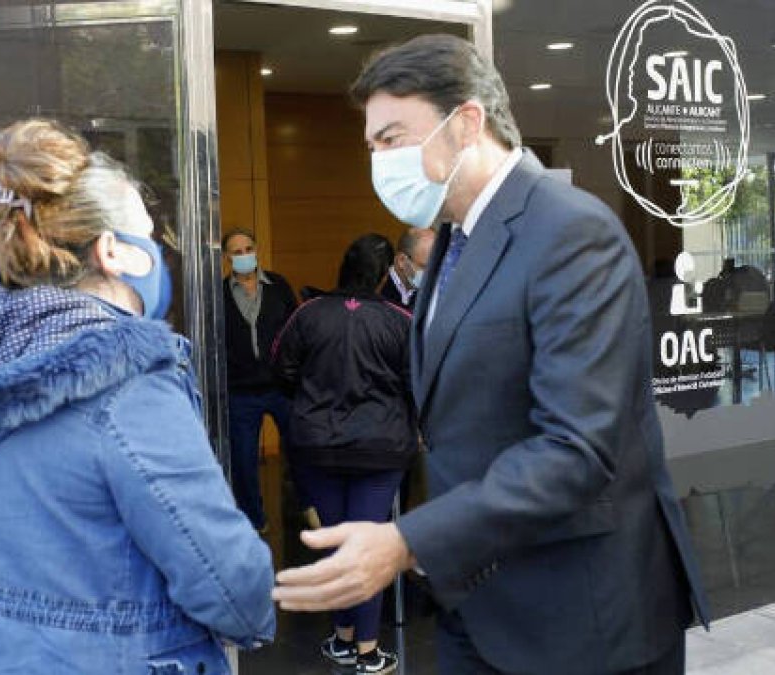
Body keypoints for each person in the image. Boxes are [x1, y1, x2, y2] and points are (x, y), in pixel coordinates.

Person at [272, 34, 710, 675]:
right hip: (478, 603)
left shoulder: (570, 231)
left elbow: (577, 449)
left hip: (578, 617)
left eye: (392, 138)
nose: (378, 161)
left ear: (466, 123)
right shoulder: (453, 239)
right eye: (371, 146)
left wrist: (406, 541)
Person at [0, 119, 275, 674]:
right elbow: (226, 581)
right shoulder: (129, 384)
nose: (161, 254)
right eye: (151, 238)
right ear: (112, 250)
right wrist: (258, 617)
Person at [272, 234, 417, 675]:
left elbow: (281, 368)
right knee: (368, 545)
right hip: (380, 449)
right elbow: (418, 380)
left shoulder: (308, 313)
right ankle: (368, 652)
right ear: (382, 273)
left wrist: (315, 400)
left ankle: (342, 639)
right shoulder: (398, 319)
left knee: (338, 546)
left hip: (317, 446)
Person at [222, 228, 298, 532]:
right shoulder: (220, 293)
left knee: (299, 450)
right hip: (241, 391)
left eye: (248, 249)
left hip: (281, 387)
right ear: (227, 258)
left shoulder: (278, 285)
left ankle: (303, 512)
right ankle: (255, 520)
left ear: (257, 250)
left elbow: (297, 327)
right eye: (237, 252)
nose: (244, 256)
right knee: (244, 461)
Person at [378, 226, 436, 310]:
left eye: (435, 266)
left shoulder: (434, 294)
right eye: (424, 267)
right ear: (401, 260)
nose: (432, 273)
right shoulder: (378, 289)